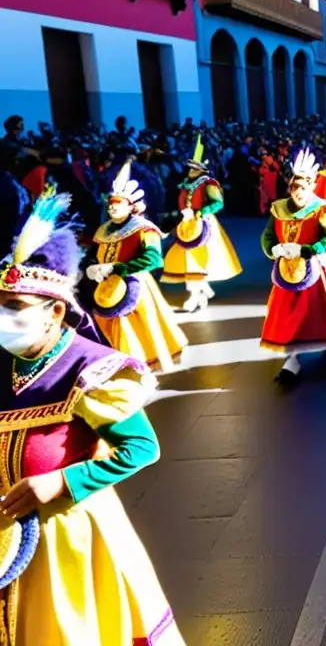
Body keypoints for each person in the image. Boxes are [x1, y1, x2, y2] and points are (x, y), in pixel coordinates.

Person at [0, 189, 184, 643]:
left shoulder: (90, 369)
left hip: (66, 537)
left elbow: (142, 447)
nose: (3, 319)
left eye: (15, 309)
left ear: (55, 312)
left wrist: (60, 481)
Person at [260, 149, 326, 384]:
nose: (298, 193)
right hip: (286, 272)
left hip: (315, 271)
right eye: (294, 188)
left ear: (311, 188)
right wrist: (273, 249)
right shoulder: (279, 209)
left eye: (302, 188)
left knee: (318, 312)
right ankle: (291, 359)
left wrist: (308, 250)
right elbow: (267, 236)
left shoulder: (320, 210)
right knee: (287, 315)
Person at [87, 162, 188, 372]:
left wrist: (118, 268)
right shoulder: (103, 230)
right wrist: (93, 268)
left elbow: (153, 259)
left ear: (131, 206)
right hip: (106, 288)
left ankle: (140, 365)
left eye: (118, 203)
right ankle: (119, 364)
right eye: (110, 203)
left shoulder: (143, 229)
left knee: (142, 326)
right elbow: (93, 256)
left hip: (136, 286)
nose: (112, 207)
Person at [161, 135, 243, 312]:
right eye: (190, 167)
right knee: (185, 256)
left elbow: (218, 203)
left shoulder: (209, 183)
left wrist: (201, 212)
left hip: (203, 224)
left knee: (197, 258)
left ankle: (195, 294)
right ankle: (202, 288)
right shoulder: (184, 184)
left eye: (194, 167)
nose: (190, 170)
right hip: (186, 224)